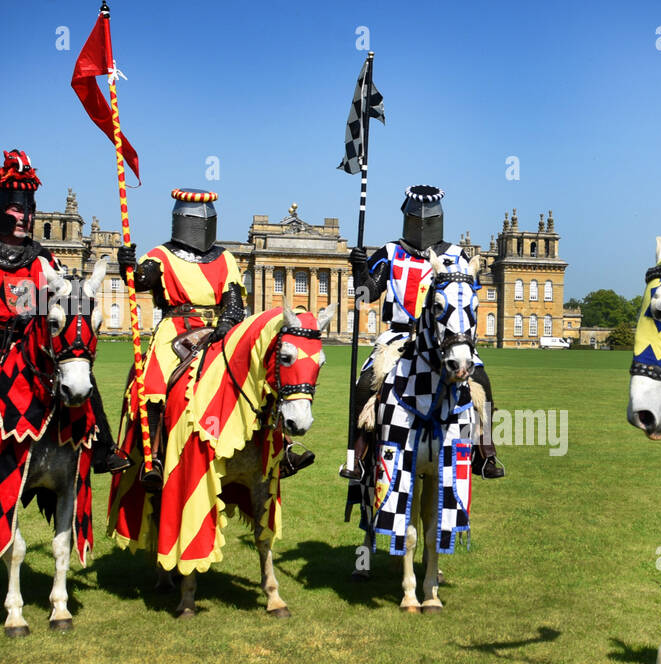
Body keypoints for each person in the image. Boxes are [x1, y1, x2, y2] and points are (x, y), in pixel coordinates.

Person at [0, 149, 129, 494]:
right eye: (17, 209)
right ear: (0, 209)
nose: (24, 217)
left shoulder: (43, 256)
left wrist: (125, 267)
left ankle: (104, 447)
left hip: (29, 338)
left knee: (80, 373)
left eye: (28, 211)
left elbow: (69, 294)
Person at [116, 188, 313, 490]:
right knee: (153, 384)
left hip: (218, 329)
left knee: (261, 376)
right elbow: (140, 281)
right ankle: (152, 456)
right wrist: (127, 264)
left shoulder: (225, 258)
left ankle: (282, 448)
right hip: (176, 329)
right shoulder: (161, 255)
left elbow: (234, 300)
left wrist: (229, 322)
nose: (203, 225)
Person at [341, 185, 504, 481]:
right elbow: (367, 295)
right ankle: (359, 455)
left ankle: (486, 451)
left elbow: (467, 298)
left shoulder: (456, 255)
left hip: (446, 339)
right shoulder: (391, 252)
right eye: (418, 219)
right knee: (366, 383)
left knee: (482, 382)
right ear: (408, 218)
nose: (423, 224)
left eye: (428, 219)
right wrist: (359, 272)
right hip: (399, 337)